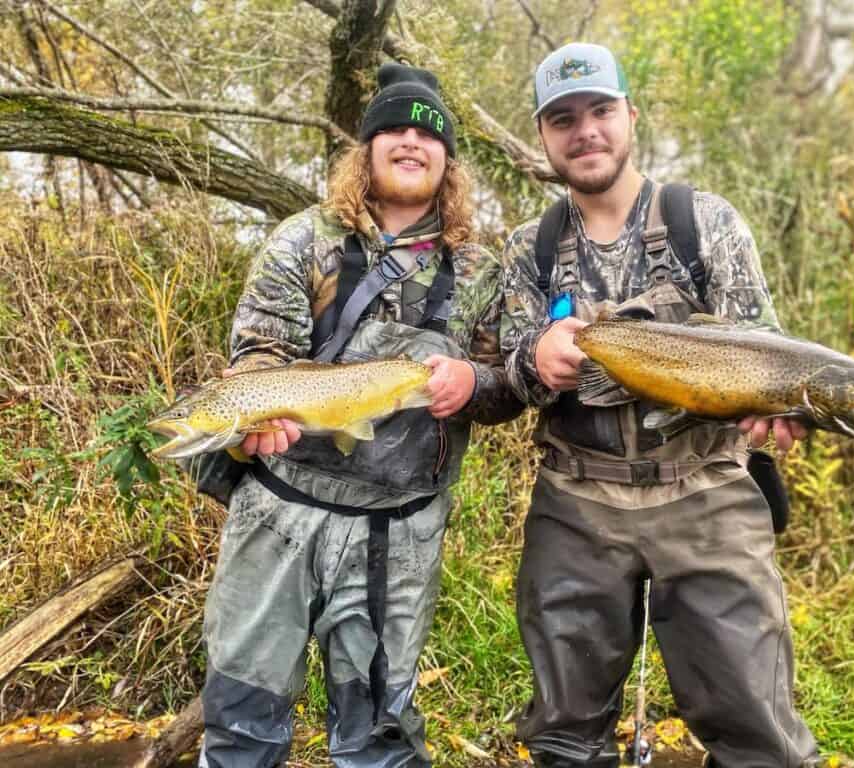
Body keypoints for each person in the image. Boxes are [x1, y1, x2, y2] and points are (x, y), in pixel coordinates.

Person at [498, 43, 820, 768]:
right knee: (563, 734)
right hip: (575, 504)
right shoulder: (530, 249)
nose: (585, 131)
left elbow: (763, 349)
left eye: (601, 111)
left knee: (757, 731)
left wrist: (773, 406)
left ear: (631, 117)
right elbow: (502, 377)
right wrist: (533, 361)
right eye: (563, 118)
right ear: (544, 134)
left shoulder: (702, 222)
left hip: (707, 494)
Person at [199, 62, 521, 768]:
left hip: (397, 532)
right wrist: (259, 411)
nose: (412, 142)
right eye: (395, 130)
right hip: (280, 515)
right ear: (366, 149)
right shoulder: (300, 241)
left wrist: (474, 382)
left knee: (379, 738)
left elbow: (510, 386)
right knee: (240, 724)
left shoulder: (479, 270)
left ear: (448, 160)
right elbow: (258, 350)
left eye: (428, 134)